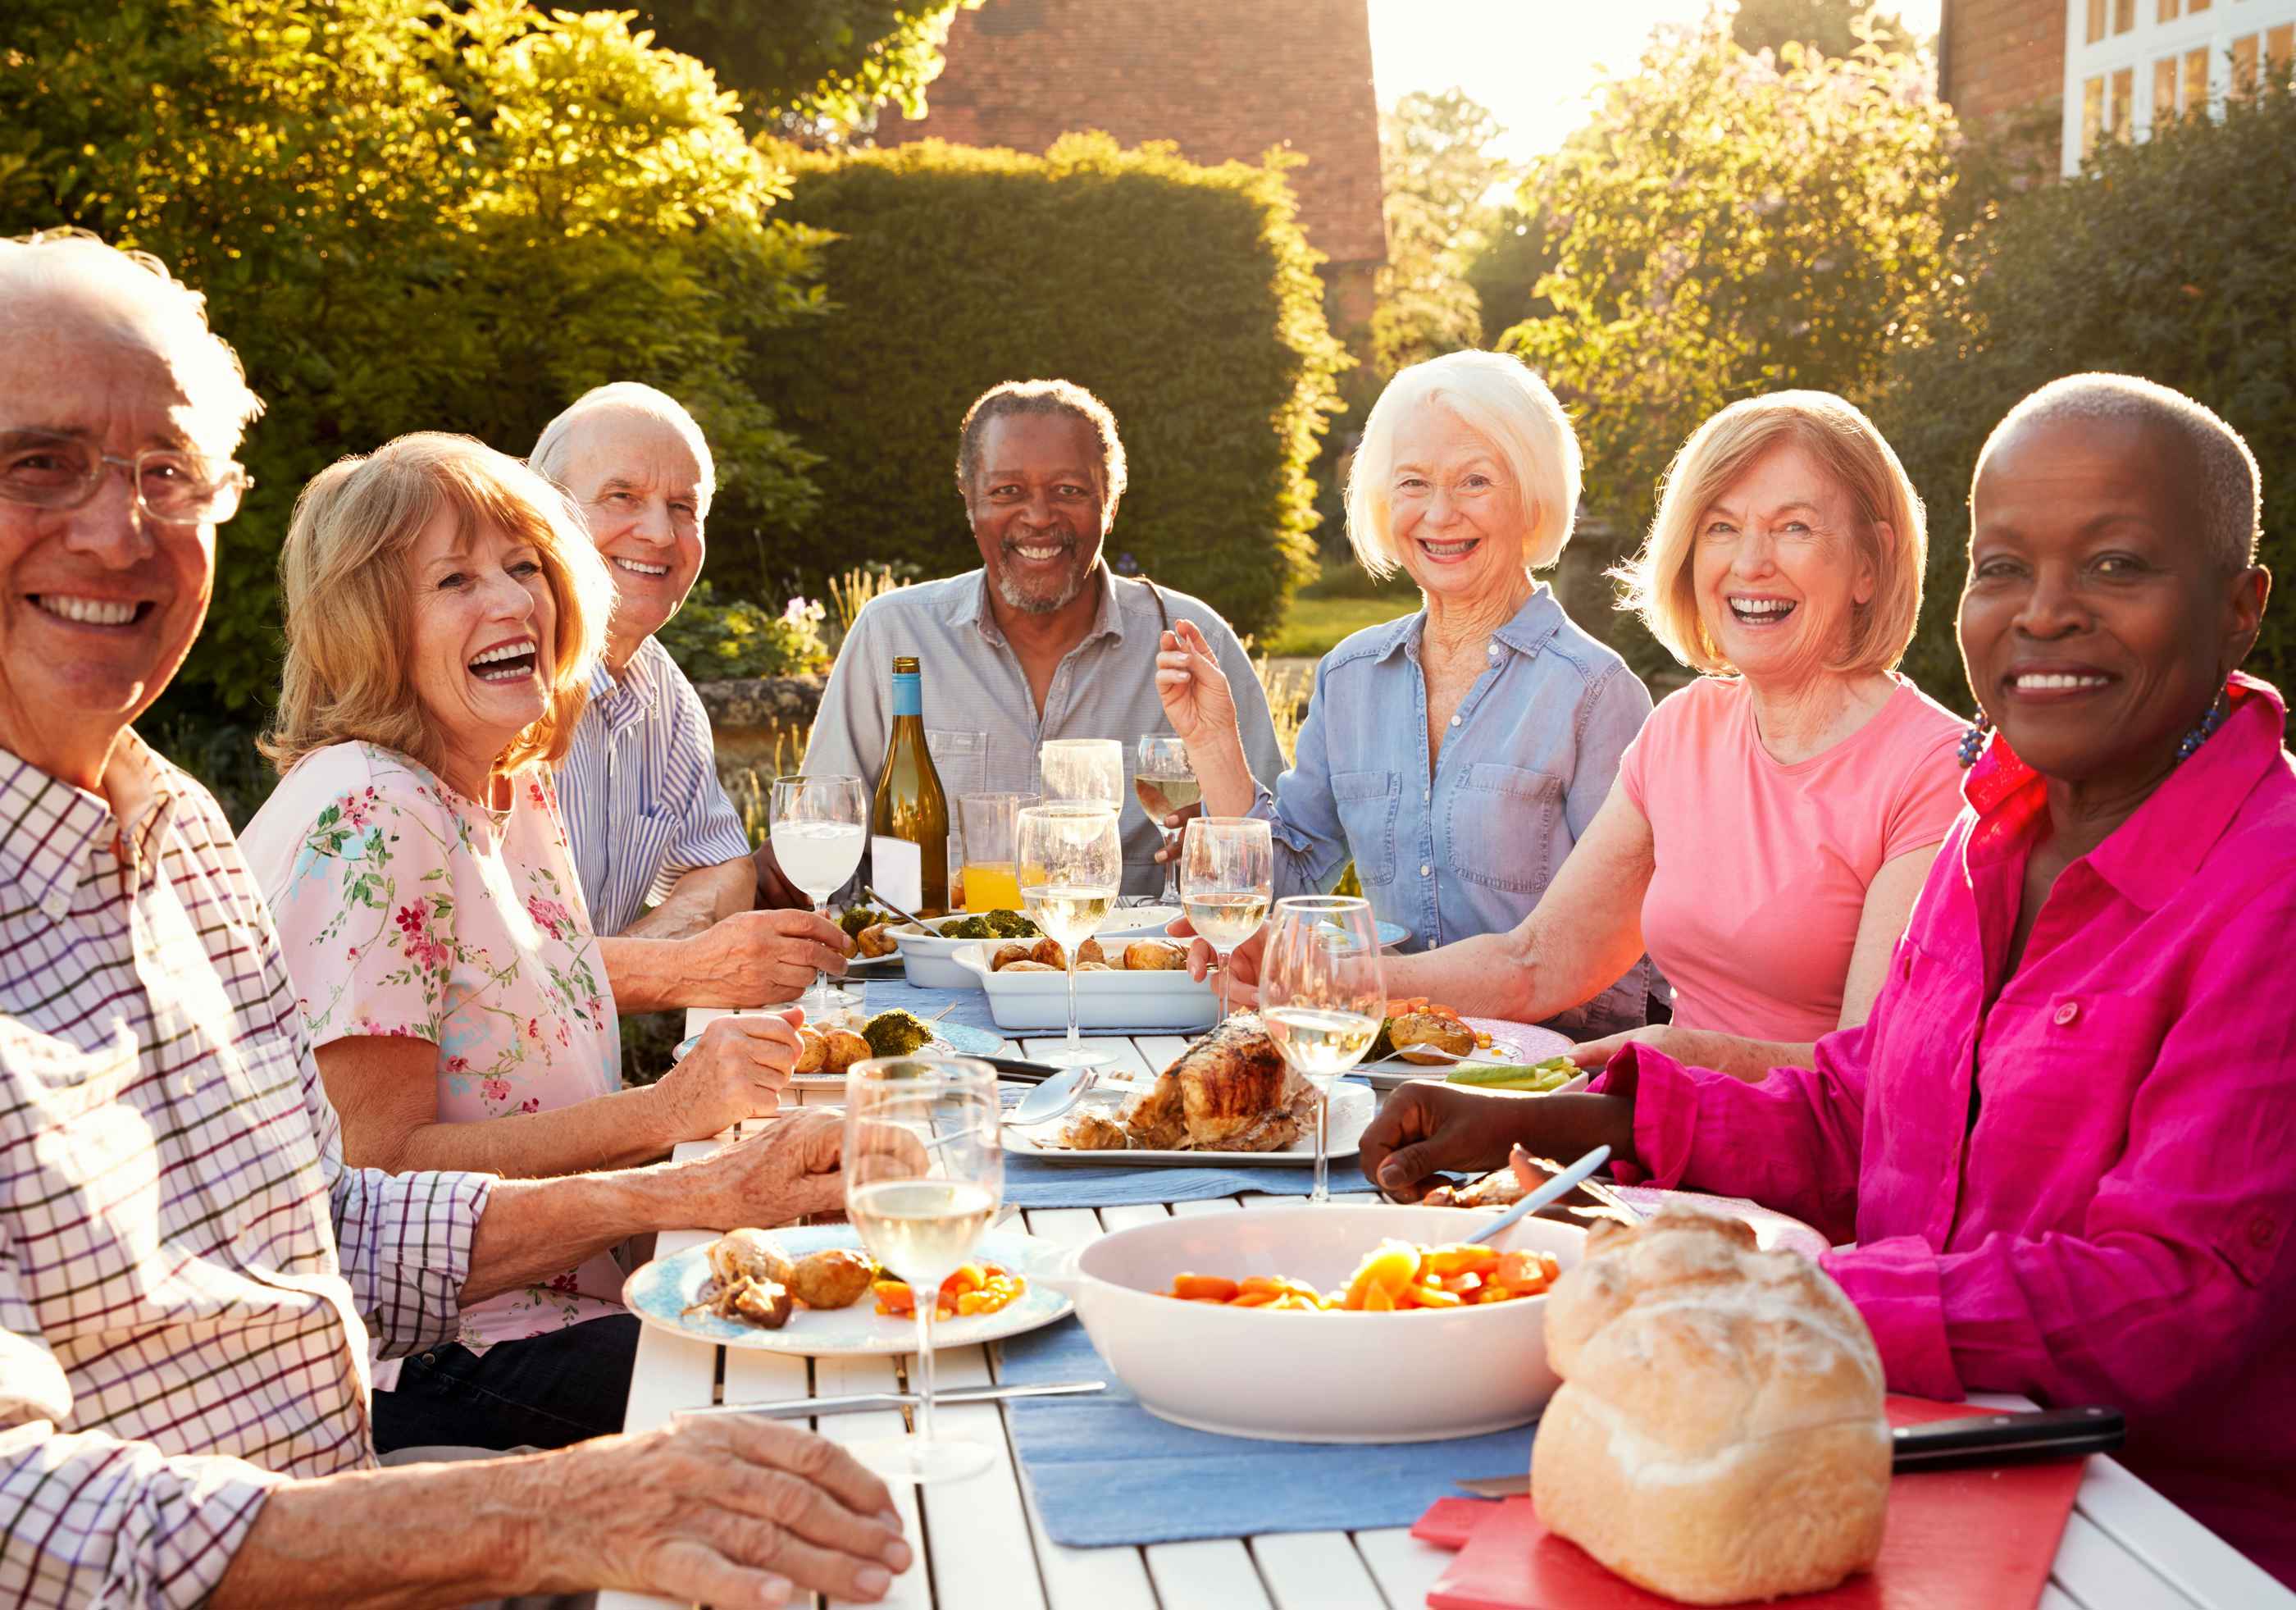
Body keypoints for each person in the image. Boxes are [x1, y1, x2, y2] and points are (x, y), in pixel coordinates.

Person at [0, 229, 911, 1606]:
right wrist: (535, 1511)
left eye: (167, 473)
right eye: (40, 462)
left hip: (358, 1502)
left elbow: (327, 1225)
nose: (120, 526)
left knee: (881, 1444)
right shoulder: (355, 805)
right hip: (380, 1489)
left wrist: (703, 1186)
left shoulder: (172, 841)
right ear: (372, 612)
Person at [1358, 375, 2296, 1586]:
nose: (2046, 613)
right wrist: (1579, 1120)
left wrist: (1773, 1288)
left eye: (2116, 566)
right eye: (2005, 566)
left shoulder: (2269, 886)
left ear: (2237, 609)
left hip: (2156, 1540)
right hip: (1896, 1451)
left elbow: (2174, 1295)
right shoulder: (1993, 830)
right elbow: (1867, 1107)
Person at [236, 431, 820, 1453]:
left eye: (524, 566)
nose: (512, 604)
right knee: (805, 1376)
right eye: (454, 579)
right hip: (439, 1357)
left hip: (568, 1298)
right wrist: (667, 1114)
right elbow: (373, 1188)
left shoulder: (508, 788)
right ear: (372, 622)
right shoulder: (371, 812)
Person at [1179, 389, 1964, 1068]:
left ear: (1871, 562)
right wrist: (1323, 980)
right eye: (1721, 527)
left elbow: (1874, 1076)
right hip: (1662, 1140)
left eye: (1794, 527)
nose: (1749, 562)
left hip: (1809, 1193)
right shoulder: (1684, 728)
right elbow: (1537, 960)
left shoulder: (1933, 769)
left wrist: (1690, 1061)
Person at [1156, 349, 1654, 1034]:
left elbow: (1614, 971)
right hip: (1374, 1053)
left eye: (1475, 481)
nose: (1440, 515)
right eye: (1414, 483)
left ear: (1532, 496)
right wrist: (1213, 741)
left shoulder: (1597, 695)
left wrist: (1348, 982)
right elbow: (1292, 882)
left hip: (1538, 1074)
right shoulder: (1350, 677)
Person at [803, 377, 1287, 897]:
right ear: (970, 502)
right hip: (924, 971)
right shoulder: (892, 635)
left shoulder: (1192, 641)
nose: (1038, 517)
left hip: (1126, 971)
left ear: (1112, 504)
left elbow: (1279, 855)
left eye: (1069, 491)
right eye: (1007, 491)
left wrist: (1222, 845)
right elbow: (820, 842)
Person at [531, 383, 849, 1009]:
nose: (658, 532)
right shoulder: (499, 683)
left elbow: (724, 870)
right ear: (545, 513)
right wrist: (676, 967)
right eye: (622, 496)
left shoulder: (662, 695)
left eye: (684, 507)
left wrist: (645, 954)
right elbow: (483, 972)